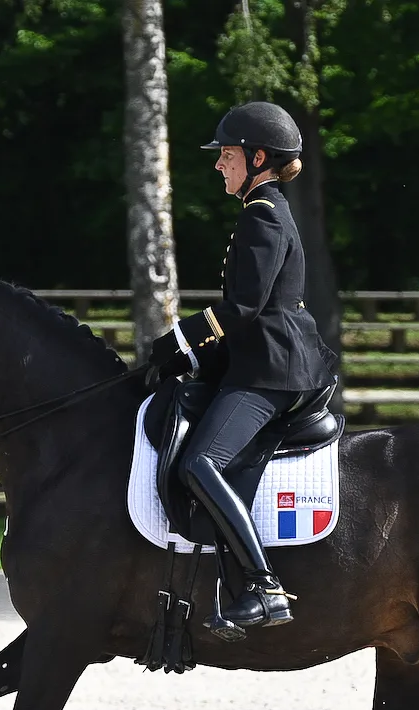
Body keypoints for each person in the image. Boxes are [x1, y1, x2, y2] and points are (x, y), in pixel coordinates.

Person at [146, 101, 336, 630]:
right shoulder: (263, 209)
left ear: (257, 158)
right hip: (262, 360)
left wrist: (176, 342)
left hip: (271, 371)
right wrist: (189, 357)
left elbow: (243, 308)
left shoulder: (262, 213)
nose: (218, 165)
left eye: (226, 155)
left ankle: (263, 586)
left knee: (200, 463)